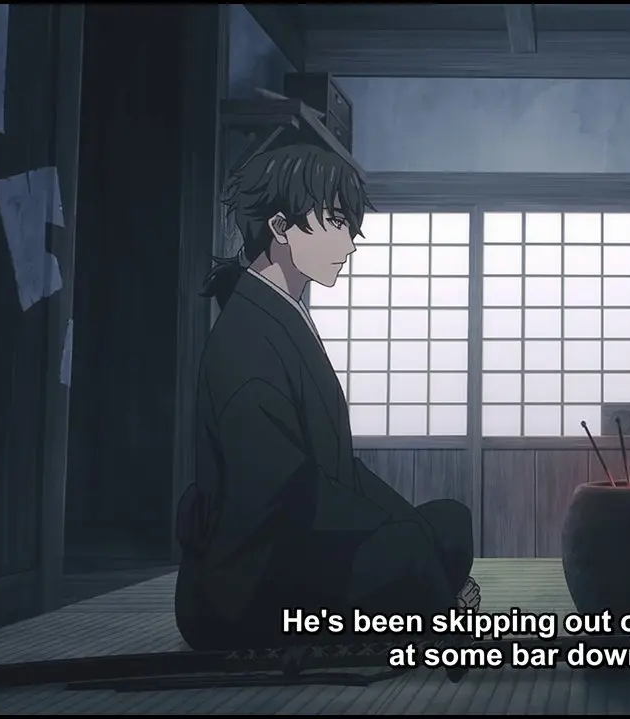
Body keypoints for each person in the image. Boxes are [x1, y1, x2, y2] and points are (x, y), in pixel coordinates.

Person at [174, 142, 480, 653]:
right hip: (249, 581)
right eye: (336, 222)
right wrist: (399, 536)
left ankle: (418, 603)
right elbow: (286, 490)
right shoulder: (247, 337)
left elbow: (338, 471)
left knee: (447, 523)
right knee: (410, 547)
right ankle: (428, 613)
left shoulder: (280, 311)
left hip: (301, 530)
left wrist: (403, 526)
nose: (349, 244)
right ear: (280, 227)